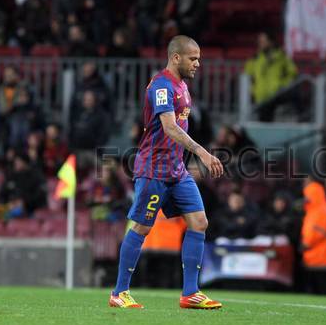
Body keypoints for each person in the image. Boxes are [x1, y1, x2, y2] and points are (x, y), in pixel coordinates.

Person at [109, 36, 224, 309]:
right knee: (142, 226)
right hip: (153, 169)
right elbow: (170, 127)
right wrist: (202, 152)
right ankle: (119, 293)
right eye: (192, 58)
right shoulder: (161, 85)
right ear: (175, 58)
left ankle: (190, 293)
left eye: (199, 58)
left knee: (199, 222)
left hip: (176, 170)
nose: (197, 63)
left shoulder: (183, 86)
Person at [244, 32, 297, 105]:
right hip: (259, 97)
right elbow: (247, 73)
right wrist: (253, 90)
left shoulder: (281, 56)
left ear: (271, 42)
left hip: (276, 95)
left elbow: (292, 72)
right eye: (259, 41)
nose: (260, 44)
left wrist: (282, 85)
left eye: (263, 41)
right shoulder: (256, 57)